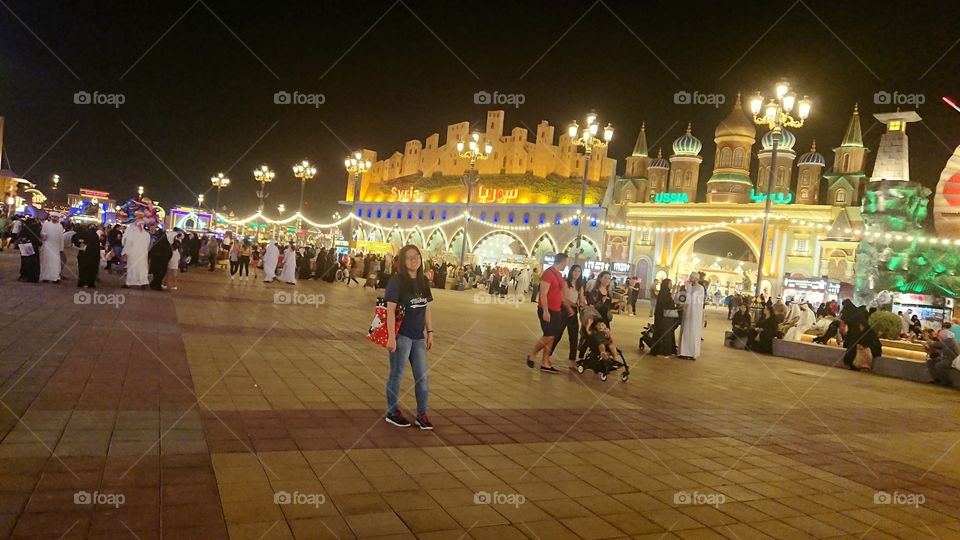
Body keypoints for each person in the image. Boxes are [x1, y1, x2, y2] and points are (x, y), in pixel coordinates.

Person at [384, 244, 434, 430]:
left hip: (418, 337)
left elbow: (427, 307)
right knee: (396, 374)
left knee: (422, 377)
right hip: (401, 336)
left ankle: (422, 414)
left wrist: (430, 332)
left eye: (417, 256)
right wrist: (390, 337)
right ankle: (392, 411)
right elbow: (390, 309)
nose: (414, 259)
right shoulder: (397, 281)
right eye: (409, 257)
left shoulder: (423, 281)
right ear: (403, 261)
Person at [525, 253, 568, 373]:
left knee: (552, 336)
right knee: (548, 335)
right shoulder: (548, 274)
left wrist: (567, 307)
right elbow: (543, 293)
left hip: (557, 310)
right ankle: (532, 355)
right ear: (562, 261)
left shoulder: (559, 275)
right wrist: (545, 310)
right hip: (547, 310)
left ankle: (545, 362)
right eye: (566, 262)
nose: (566, 265)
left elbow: (560, 293)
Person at [556, 264, 585, 367]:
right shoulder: (565, 282)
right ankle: (548, 354)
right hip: (563, 310)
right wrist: (574, 304)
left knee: (573, 336)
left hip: (573, 311)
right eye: (575, 271)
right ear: (571, 272)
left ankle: (572, 359)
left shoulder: (580, 285)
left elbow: (581, 299)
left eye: (579, 271)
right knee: (557, 334)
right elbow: (562, 298)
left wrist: (582, 304)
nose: (577, 273)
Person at [678, 272, 705, 360]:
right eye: (690, 277)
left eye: (691, 277)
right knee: (685, 330)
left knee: (692, 331)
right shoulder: (690, 287)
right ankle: (683, 351)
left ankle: (690, 353)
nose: (690, 278)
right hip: (687, 312)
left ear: (696, 279)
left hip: (694, 314)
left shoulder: (700, 288)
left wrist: (688, 288)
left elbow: (690, 298)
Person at [650, 278, 679, 356]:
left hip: (662, 316)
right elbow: (667, 304)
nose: (671, 285)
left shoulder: (664, 293)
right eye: (670, 283)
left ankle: (659, 350)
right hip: (663, 317)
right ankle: (662, 351)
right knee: (663, 334)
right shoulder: (664, 294)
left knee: (660, 333)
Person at [122, 222, 151, 289]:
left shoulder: (132, 234)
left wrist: (125, 253)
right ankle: (143, 282)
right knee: (142, 269)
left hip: (133, 254)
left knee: (132, 268)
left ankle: (129, 283)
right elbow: (148, 245)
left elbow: (127, 243)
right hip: (143, 255)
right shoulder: (147, 234)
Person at [72, 223, 101, 288]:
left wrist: (80, 243)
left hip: (84, 255)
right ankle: (90, 283)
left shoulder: (83, 233)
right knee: (91, 269)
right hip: (93, 256)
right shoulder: (95, 235)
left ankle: (82, 282)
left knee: (83, 269)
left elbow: (74, 238)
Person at [39, 213, 65, 283]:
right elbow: (42, 233)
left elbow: (61, 238)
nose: (54, 218)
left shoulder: (60, 226)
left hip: (56, 247)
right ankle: (45, 276)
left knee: (55, 262)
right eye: (53, 217)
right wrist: (43, 236)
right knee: (46, 261)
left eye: (56, 217)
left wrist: (61, 248)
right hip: (47, 245)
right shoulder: (46, 224)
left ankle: (55, 277)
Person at [148, 226, 173, 291]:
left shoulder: (157, 244)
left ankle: (155, 284)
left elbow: (151, 252)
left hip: (156, 262)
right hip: (163, 263)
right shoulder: (167, 245)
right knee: (160, 275)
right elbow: (170, 254)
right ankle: (156, 285)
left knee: (156, 274)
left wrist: (149, 257)